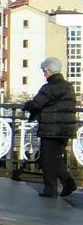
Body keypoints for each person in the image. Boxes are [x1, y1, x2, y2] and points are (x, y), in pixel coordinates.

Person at [24, 57, 78, 198]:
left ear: (49, 70)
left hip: (51, 129)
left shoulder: (49, 87)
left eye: (44, 71)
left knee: (47, 159)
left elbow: (36, 104)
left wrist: (27, 105)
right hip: (66, 129)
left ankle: (51, 189)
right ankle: (68, 183)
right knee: (56, 158)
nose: (44, 74)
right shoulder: (68, 86)